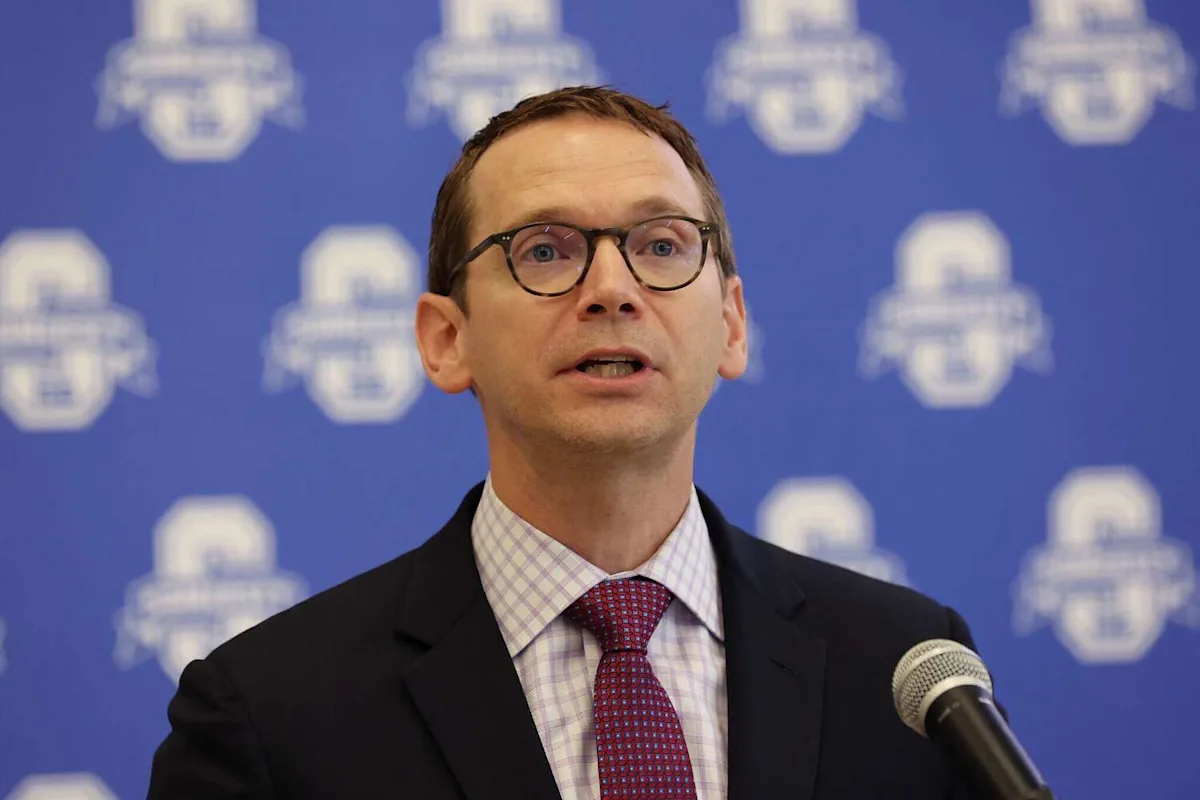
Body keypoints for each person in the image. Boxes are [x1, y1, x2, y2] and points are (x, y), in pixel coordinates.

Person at [148, 86, 990, 799]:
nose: (612, 290)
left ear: (732, 325)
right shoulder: (272, 715)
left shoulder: (908, 674)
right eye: (545, 251)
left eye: (662, 245)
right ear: (447, 340)